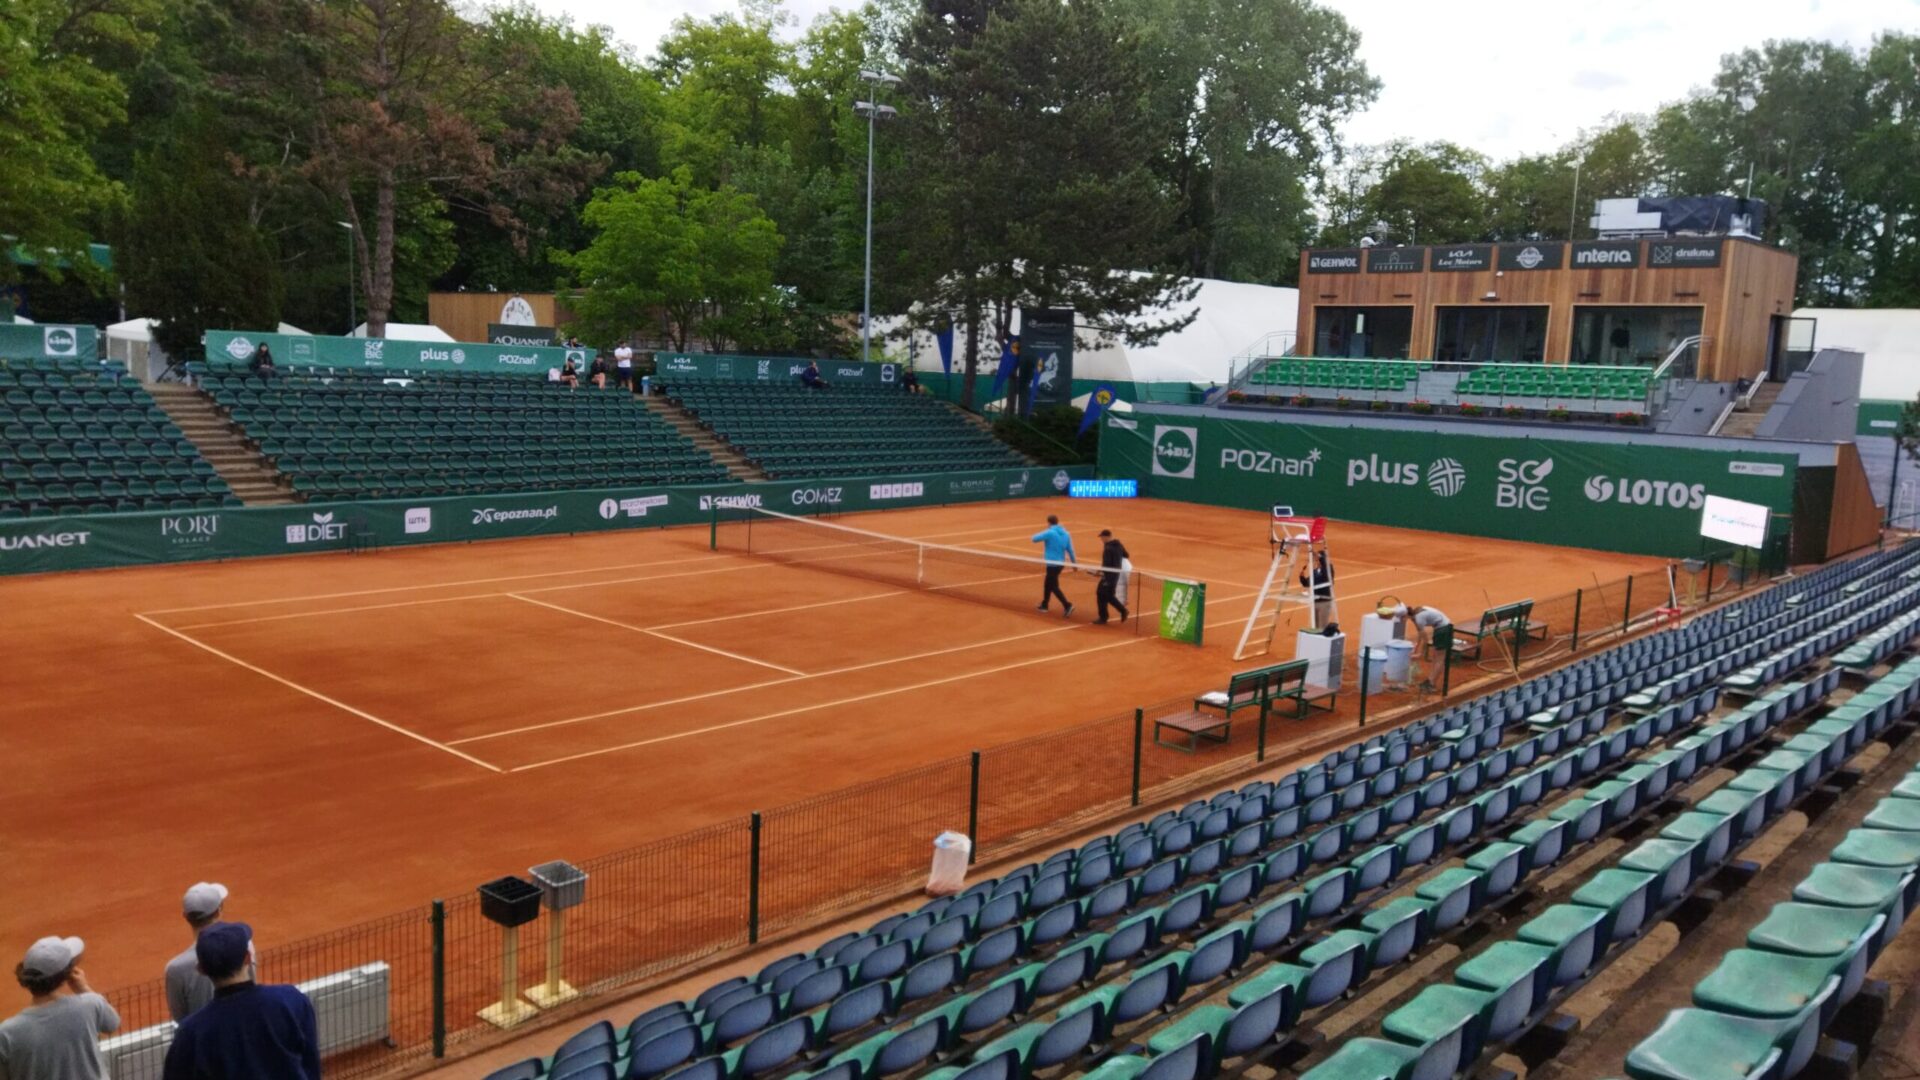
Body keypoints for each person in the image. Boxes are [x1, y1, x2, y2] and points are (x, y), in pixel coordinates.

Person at [162, 923, 320, 1080]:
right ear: (248, 958)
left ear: (201, 969)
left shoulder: (191, 1032)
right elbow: (311, 1063)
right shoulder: (290, 1000)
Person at [0, 936, 120, 1080]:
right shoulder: (90, 1004)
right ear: (67, 974)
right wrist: (83, 988)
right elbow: (112, 1023)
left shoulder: (7, 1033)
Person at [166, 883, 229, 1022]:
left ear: (185, 916)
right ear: (219, 911)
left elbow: (180, 1017)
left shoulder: (175, 968)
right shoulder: (244, 946)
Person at [1030, 514, 1076, 617]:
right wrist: (1074, 564)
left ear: (1049, 522)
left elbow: (1034, 539)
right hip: (1060, 564)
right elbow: (1070, 550)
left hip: (1052, 565)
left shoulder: (1050, 533)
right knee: (1048, 584)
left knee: (1053, 586)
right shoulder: (1066, 534)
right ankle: (1045, 605)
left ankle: (1067, 605)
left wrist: (1047, 531)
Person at [1094, 529, 1129, 624]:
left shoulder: (1108, 548)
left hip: (1109, 576)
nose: (1101, 539)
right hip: (1116, 575)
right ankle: (1106, 616)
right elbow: (1126, 555)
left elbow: (1106, 564)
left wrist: (1100, 572)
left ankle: (1105, 616)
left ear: (1107, 537)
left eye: (1102, 537)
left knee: (1102, 594)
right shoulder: (1119, 544)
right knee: (1106, 595)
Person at [1299, 548, 1335, 628]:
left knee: (1323, 624)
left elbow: (1326, 574)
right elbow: (1307, 584)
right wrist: (1302, 578)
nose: (1316, 560)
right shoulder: (1315, 571)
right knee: (1315, 624)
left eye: (1318, 558)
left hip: (1325, 601)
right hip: (1315, 601)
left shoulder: (1329, 568)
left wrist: (1318, 556)